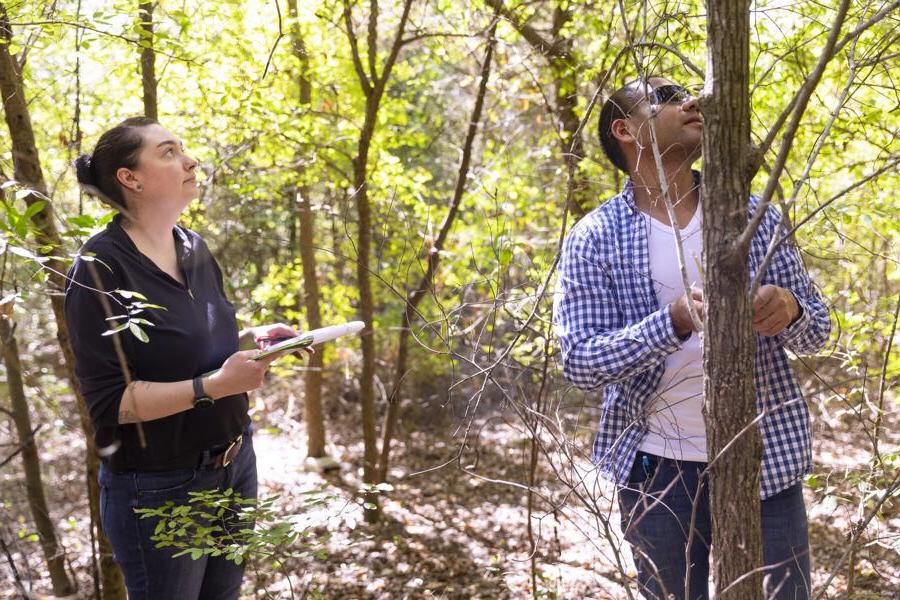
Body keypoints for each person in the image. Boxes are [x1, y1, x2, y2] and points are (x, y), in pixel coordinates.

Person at [553, 78, 831, 599]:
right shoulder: (595, 237)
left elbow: (819, 329)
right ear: (625, 130)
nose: (690, 102)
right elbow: (580, 361)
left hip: (762, 454)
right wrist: (672, 322)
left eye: (688, 94)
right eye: (662, 98)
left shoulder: (756, 216)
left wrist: (791, 310)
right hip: (656, 468)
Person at [66, 117, 305, 599]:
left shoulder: (193, 245)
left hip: (236, 464)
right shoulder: (99, 268)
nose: (190, 160)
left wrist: (258, 338)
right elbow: (113, 403)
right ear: (129, 178)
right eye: (170, 152)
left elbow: (196, 345)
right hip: (161, 485)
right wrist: (214, 386)